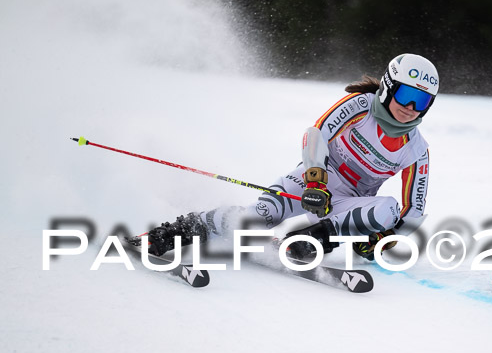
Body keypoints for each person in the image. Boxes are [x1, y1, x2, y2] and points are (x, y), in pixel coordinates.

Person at [142, 53, 438, 261]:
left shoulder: (417, 149)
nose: (411, 107)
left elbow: (415, 209)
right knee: (254, 219)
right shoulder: (361, 105)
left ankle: (315, 238)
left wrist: (381, 240)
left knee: (388, 209)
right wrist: (316, 183)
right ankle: (179, 230)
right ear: (388, 87)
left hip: (347, 206)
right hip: (311, 184)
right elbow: (315, 134)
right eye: (405, 95)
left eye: (422, 101)